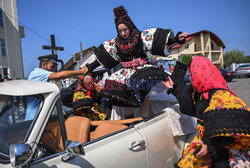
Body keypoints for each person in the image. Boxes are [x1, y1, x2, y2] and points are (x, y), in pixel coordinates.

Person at [84, 5, 188, 116]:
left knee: (144, 105)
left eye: (125, 30)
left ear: (130, 27)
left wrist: (176, 39)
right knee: (127, 106)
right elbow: (105, 58)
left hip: (143, 73)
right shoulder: (115, 44)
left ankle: (147, 128)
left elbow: (157, 42)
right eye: (120, 31)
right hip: (125, 76)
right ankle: (129, 127)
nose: (123, 33)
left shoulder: (141, 37)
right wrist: (90, 67)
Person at [163, 56, 250, 168]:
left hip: (221, 148)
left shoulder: (221, 95)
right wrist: (173, 87)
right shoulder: (198, 92)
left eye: (191, 75)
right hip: (204, 141)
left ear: (201, 73)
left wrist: (209, 145)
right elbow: (188, 107)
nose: (190, 78)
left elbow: (231, 126)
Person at [26, 54, 88, 120]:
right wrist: (81, 72)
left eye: (55, 67)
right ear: (44, 65)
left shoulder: (44, 78)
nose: (54, 69)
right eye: (52, 66)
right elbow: (58, 76)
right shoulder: (38, 73)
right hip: (35, 118)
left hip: (43, 116)